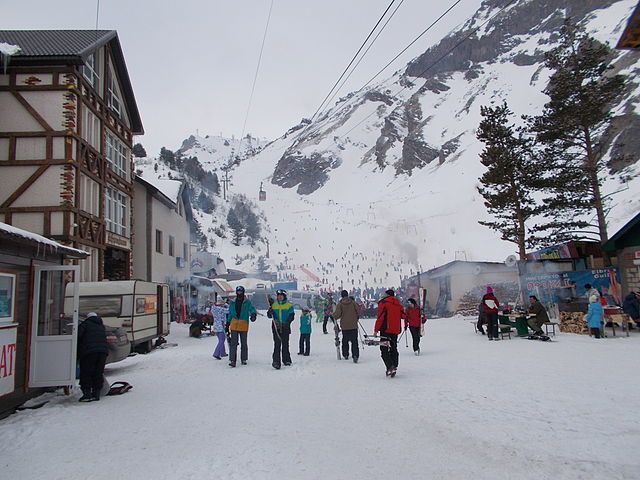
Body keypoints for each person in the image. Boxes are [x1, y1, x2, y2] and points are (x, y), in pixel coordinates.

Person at [77, 312, 109, 402]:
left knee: (86, 372)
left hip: (89, 352)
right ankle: (96, 393)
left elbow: (78, 336)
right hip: (102, 352)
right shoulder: (101, 326)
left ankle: (87, 394)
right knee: (98, 372)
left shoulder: (85, 325)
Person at [374, 289, 406, 377]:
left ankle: (390, 366)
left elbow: (380, 317)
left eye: (384, 293)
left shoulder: (384, 303)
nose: (382, 294)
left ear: (387, 295)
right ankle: (394, 365)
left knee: (384, 349)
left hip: (385, 330)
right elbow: (403, 315)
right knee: (393, 348)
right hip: (395, 330)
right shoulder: (398, 304)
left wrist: (376, 330)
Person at [226, 286, 257, 367]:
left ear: (243, 292)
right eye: (238, 291)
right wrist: (227, 323)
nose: (239, 293)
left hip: (243, 324)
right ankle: (233, 360)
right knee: (233, 343)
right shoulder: (232, 302)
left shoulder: (247, 302)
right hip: (234, 324)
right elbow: (230, 313)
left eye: (240, 291)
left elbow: (252, 309)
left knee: (244, 343)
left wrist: (253, 314)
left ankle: (244, 359)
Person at [267, 289, 295, 369]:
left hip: (285, 327)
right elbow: (269, 316)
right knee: (277, 344)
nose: (279, 297)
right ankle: (276, 361)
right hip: (276, 327)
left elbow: (291, 316)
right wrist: (270, 312)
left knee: (285, 344)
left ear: (284, 296)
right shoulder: (274, 305)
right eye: (278, 296)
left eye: (281, 296)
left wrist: (287, 323)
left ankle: (286, 359)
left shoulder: (289, 305)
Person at [333, 290, 360, 363]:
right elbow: (359, 311)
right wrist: (356, 317)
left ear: (341, 295)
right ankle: (355, 355)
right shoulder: (353, 302)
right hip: (354, 325)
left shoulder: (340, 304)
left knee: (345, 341)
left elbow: (337, 315)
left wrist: (333, 315)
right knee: (354, 341)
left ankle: (345, 354)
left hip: (345, 326)